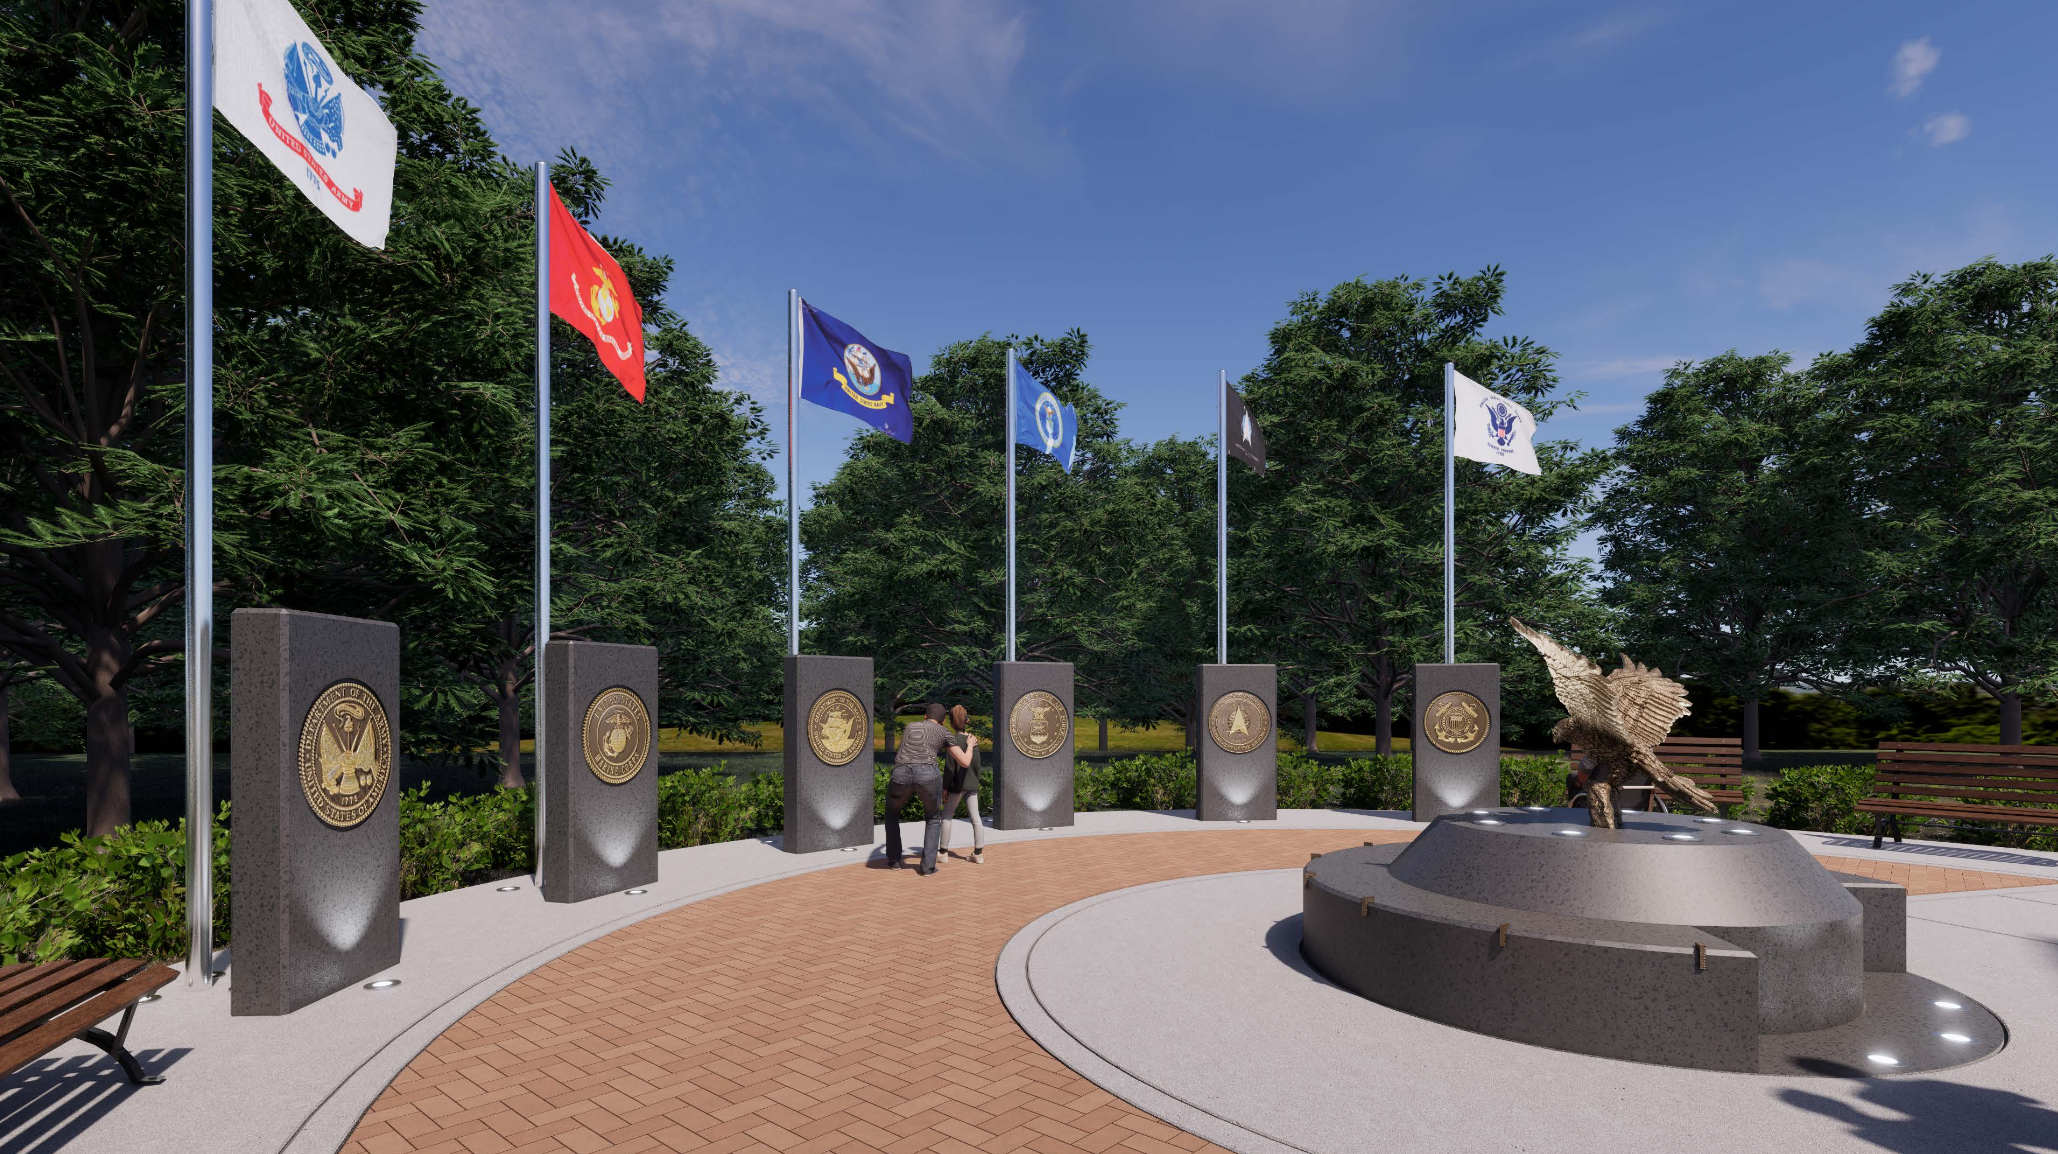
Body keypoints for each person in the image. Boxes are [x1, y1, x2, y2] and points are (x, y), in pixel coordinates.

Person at [885, 703, 976, 875]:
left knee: (892, 813)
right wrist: (970, 745)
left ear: (925, 717)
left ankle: (894, 861)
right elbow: (964, 761)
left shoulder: (910, 727)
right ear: (942, 722)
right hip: (927, 775)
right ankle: (927, 867)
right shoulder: (944, 732)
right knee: (933, 818)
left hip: (900, 774)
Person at [937, 705, 986, 864]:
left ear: (950, 722)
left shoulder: (952, 740)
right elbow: (977, 764)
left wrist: (945, 787)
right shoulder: (973, 740)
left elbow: (949, 767)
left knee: (947, 817)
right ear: (967, 720)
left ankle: (943, 852)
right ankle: (978, 853)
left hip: (956, 787)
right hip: (972, 785)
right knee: (976, 818)